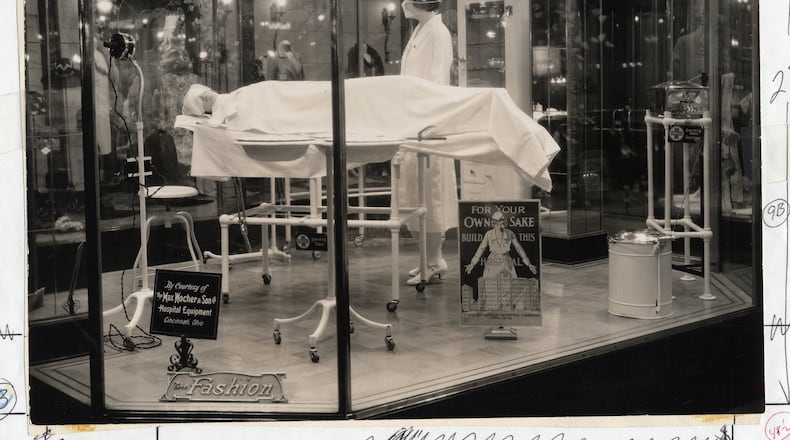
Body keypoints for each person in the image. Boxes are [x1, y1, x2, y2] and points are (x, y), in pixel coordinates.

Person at [398, 0, 458, 286]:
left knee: (429, 196)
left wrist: (425, 117)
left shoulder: (438, 32)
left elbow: (437, 80)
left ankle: (434, 260)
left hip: (427, 125)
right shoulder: (421, 30)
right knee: (413, 194)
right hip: (412, 121)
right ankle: (426, 258)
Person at [464, 210, 537, 280]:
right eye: (498, 224)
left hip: (507, 263)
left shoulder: (510, 233)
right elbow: (481, 249)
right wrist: (472, 263)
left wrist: (528, 264)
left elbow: (518, 248)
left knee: (508, 286)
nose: (502, 226)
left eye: (503, 224)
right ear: (494, 224)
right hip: (492, 263)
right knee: (491, 286)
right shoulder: (489, 234)